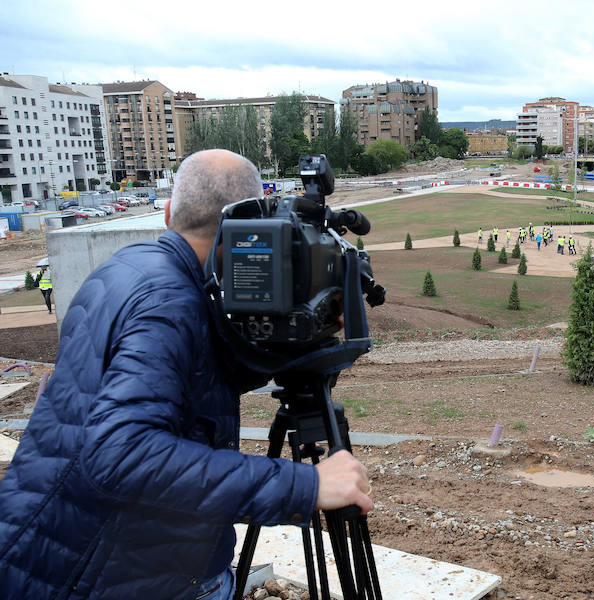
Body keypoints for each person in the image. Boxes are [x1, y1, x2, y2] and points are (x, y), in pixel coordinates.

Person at [0, 150, 373, 600]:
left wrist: (292, 350)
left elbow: (183, 377)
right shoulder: (169, 300)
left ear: (168, 212)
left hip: (59, 552)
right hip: (100, 575)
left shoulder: (131, 270)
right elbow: (121, 455)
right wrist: (306, 485)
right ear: (244, 225)